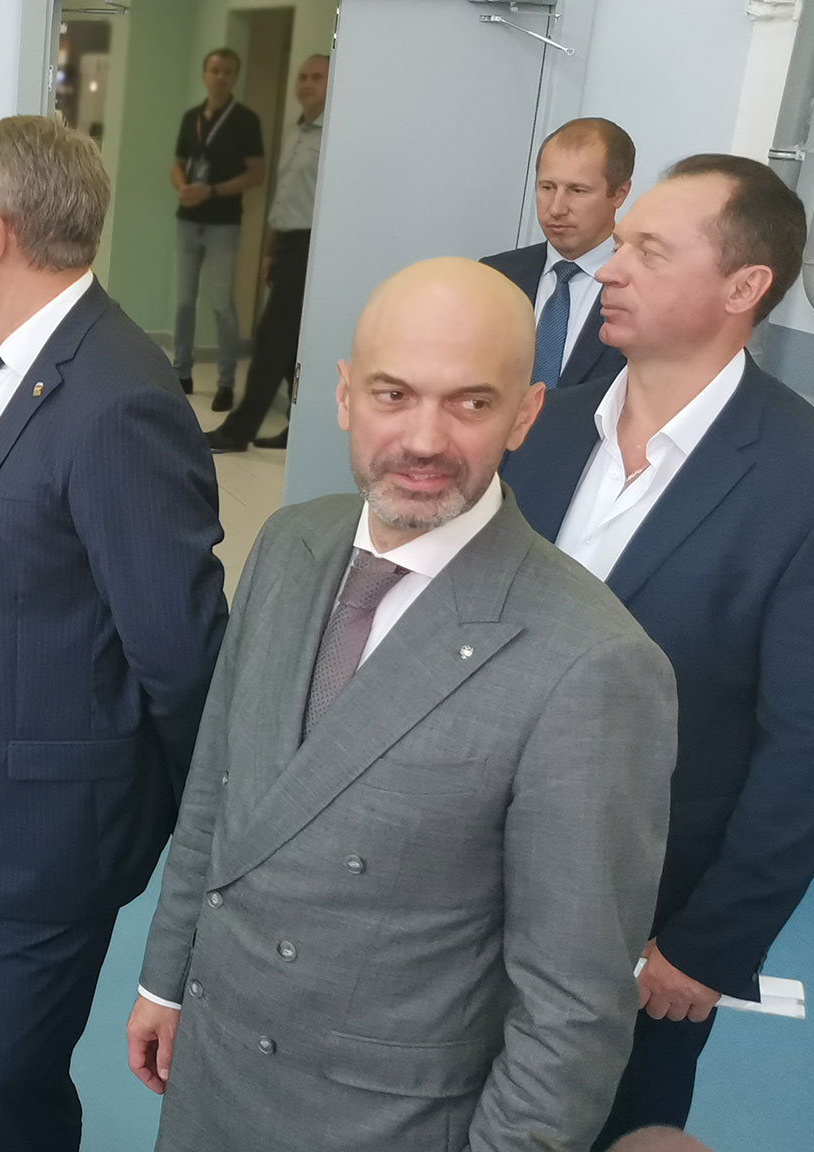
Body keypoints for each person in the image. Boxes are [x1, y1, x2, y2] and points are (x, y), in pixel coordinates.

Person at [129, 258, 679, 1152]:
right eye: (394, 394)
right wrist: (166, 979)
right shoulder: (289, 543)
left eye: (470, 403)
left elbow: (572, 1008)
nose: (425, 439)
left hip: (383, 1121)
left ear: (525, 414)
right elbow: (218, 790)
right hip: (215, 1064)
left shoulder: (591, 663)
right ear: (344, 395)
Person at [0, 115, 227, 1152]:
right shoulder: (10, 357)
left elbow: (182, 654)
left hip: (43, 833)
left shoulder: (118, 399)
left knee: (15, 1087)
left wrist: (181, 832)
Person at [500, 155, 814, 1149]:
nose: (611, 269)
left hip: (646, 925)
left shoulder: (807, 481)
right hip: (467, 880)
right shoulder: (544, 425)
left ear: (743, 288)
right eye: (621, 245)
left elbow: (810, 747)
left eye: (650, 250)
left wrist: (711, 944)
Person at [206, 52, 330, 453]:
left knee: (271, 339)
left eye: (316, 77)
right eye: (302, 77)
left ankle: (237, 432)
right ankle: (301, 425)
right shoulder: (295, 132)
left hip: (313, 246)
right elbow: (285, 197)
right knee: (290, 344)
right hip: (287, 243)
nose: (305, 84)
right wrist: (270, 252)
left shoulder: (334, 136)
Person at [483, 118, 634, 392]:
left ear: (620, 193)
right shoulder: (494, 277)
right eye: (547, 187)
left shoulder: (642, 288)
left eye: (577, 191)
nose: (556, 208)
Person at [170, 47, 265, 408]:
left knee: (222, 303)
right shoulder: (191, 117)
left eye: (227, 71)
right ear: (204, 75)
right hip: (188, 219)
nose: (220, 76)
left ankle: (225, 382)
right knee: (184, 301)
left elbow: (256, 174)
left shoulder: (245, 120)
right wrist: (183, 187)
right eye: (214, 70)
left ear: (234, 77)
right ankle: (181, 372)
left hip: (224, 222)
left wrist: (211, 190)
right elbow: (177, 164)